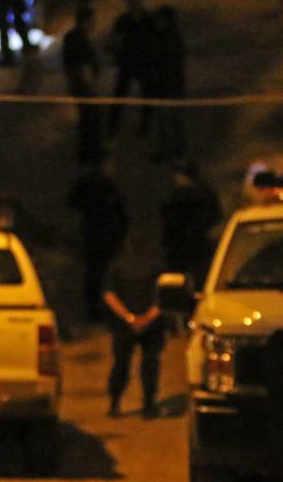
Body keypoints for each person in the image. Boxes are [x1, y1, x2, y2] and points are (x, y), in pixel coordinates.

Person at [103, 235, 166, 419]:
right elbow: (163, 297)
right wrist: (146, 318)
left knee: (121, 363)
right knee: (150, 364)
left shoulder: (116, 266)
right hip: (152, 325)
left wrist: (129, 318)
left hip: (123, 325)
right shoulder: (157, 267)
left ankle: (115, 403)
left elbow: (109, 295)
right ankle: (149, 405)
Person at [67, 154, 130, 323]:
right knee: (103, 275)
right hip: (103, 237)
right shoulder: (108, 187)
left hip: (95, 237)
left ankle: (95, 312)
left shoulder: (90, 184)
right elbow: (121, 213)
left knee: (95, 276)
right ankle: (102, 312)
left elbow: (73, 203)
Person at [161, 160, 222, 280]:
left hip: (182, 249)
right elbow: (216, 217)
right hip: (203, 248)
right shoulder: (207, 194)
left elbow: (171, 223)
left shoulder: (178, 197)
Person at [106, 0, 153, 139]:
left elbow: (154, 40)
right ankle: (112, 125)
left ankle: (145, 126)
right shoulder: (124, 19)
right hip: (127, 61)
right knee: (120, 93)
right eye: (130, 2)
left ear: (139, 2)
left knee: (147, 95)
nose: (132, 4)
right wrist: (115, 51)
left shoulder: (147, 19)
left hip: (143, 63)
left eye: (134, 1)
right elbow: (115, 37)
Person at [63, 7, 104, 163]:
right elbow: (82, 65)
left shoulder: (74, 36)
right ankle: (90, 153)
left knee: (87, 118)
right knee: (90, 119)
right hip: (83, 85)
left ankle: (89, 151)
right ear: (85, 21)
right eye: (92, 21)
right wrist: (91, 87)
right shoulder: (78, 38)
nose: (94, 24)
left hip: (79, 83)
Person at [149, 5, 187, 160]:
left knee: (173, 120)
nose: (157, 22)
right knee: (164, 120)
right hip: (164, 85)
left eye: (160, 19)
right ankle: (167, 150)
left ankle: (177, 151)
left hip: (170, 86)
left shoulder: (170, 38)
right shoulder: (162, 36)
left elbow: (168, 62)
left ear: (167, 20)